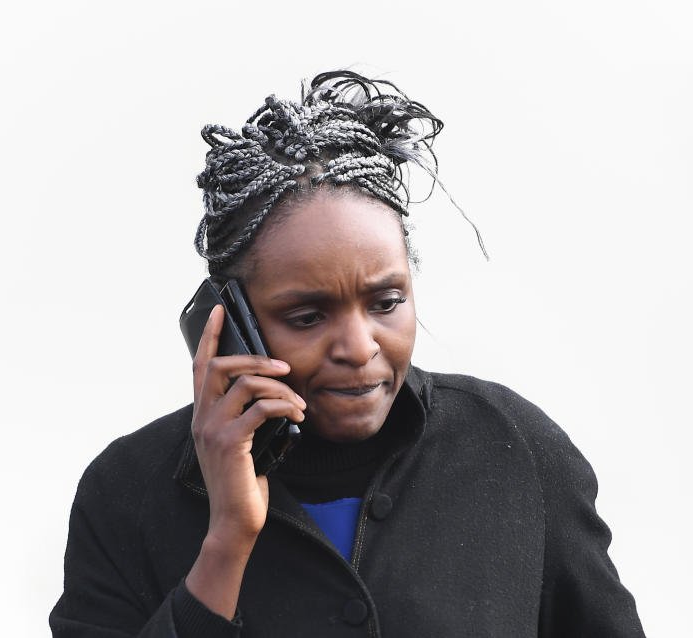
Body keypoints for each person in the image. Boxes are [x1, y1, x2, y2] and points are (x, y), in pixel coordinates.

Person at [49, 71, 646, 637]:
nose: (360, 349)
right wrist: (226, 542)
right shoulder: (125, 495)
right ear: (231, 323)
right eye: (307, 317)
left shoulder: (517, 449)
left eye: (386, 302)